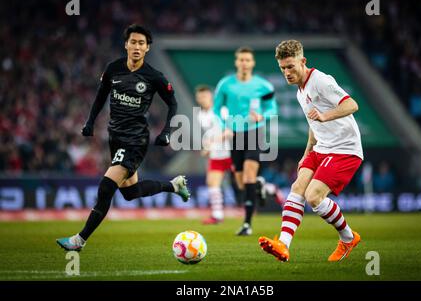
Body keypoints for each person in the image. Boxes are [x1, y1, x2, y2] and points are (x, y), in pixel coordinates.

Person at [56, 24, 190, 251]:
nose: (137, 46)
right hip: (115, 137)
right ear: (126, 44)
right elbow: (100, 97)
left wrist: (167, 131)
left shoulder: (153, 76)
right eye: (133, 42)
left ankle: (79, 240)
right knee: (129, 192)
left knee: (106, 188)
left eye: (142, 43)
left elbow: (173, 103)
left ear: (147, 48)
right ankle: (174, 186)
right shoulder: (113, 69)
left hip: (135, 139)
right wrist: (89, 122)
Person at [259, 40, 363, 262]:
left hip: (344, 148)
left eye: (290, 67)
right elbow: (312, 125)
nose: (287, 72)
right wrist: (307, 153)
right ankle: (283, 245)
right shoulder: (300, 90)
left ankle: (347, 238)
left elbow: (352, 105)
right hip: (321, 147)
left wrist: (326, 115)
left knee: (313, 196)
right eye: (283, 68)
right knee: (297, 188)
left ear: (302, 61)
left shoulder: (320, 81)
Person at [213, 47, 278, 236]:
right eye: (241, 60)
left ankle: (247, 224)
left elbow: (272, 108)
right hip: (234, 134)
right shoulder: (225, 85)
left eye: (247, 60)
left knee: (248, 176)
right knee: (241, 183)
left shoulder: (263, 86)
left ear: (252, 63)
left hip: (254, 132)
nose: (244, 63)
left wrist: (262, 117)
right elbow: (216, 110)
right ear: (236, 62)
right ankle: (260, 185)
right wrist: (224, 125)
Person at [195, 85, 232, 224]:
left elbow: (230, 131)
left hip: (231, 153)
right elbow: (209, 135)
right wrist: (207, 146)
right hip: (216, 155)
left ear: (210, 96)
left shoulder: (221, 110)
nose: (202, 99)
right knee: (212, 183)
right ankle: (217, 215)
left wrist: (213, 142)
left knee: (245, 182)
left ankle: (271, 189)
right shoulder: (201, 115)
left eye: (204, 96)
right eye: (199, 97)